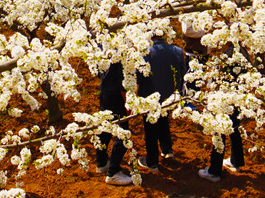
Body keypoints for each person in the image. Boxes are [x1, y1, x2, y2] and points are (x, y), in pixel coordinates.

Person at [198, 42, 251, 182]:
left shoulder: (231, 54)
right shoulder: (241, 50)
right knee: (234, 127)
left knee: (220, 130)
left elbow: (225, 77)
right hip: (237, 97)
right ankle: (235, 161)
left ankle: (214, 171)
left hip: (227, 98)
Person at [136, 32, 187, 173]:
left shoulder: (144, 53)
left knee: (150, 129)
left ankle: (152, 162)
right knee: (164, 119)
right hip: (169, 95)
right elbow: (182, 73)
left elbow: (138, 78)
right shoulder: (177, 51)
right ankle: (167, 149)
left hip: (149, 95)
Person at [94, 61, 133, 186]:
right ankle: (113, 172)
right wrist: (127, 102)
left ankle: (102, 163)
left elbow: (96, 68)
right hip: (116, 94)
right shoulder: (122, 49)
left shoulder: (103, 44)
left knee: (105, 127)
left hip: (105, 91)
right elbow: (122, 77)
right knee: (123, 133)